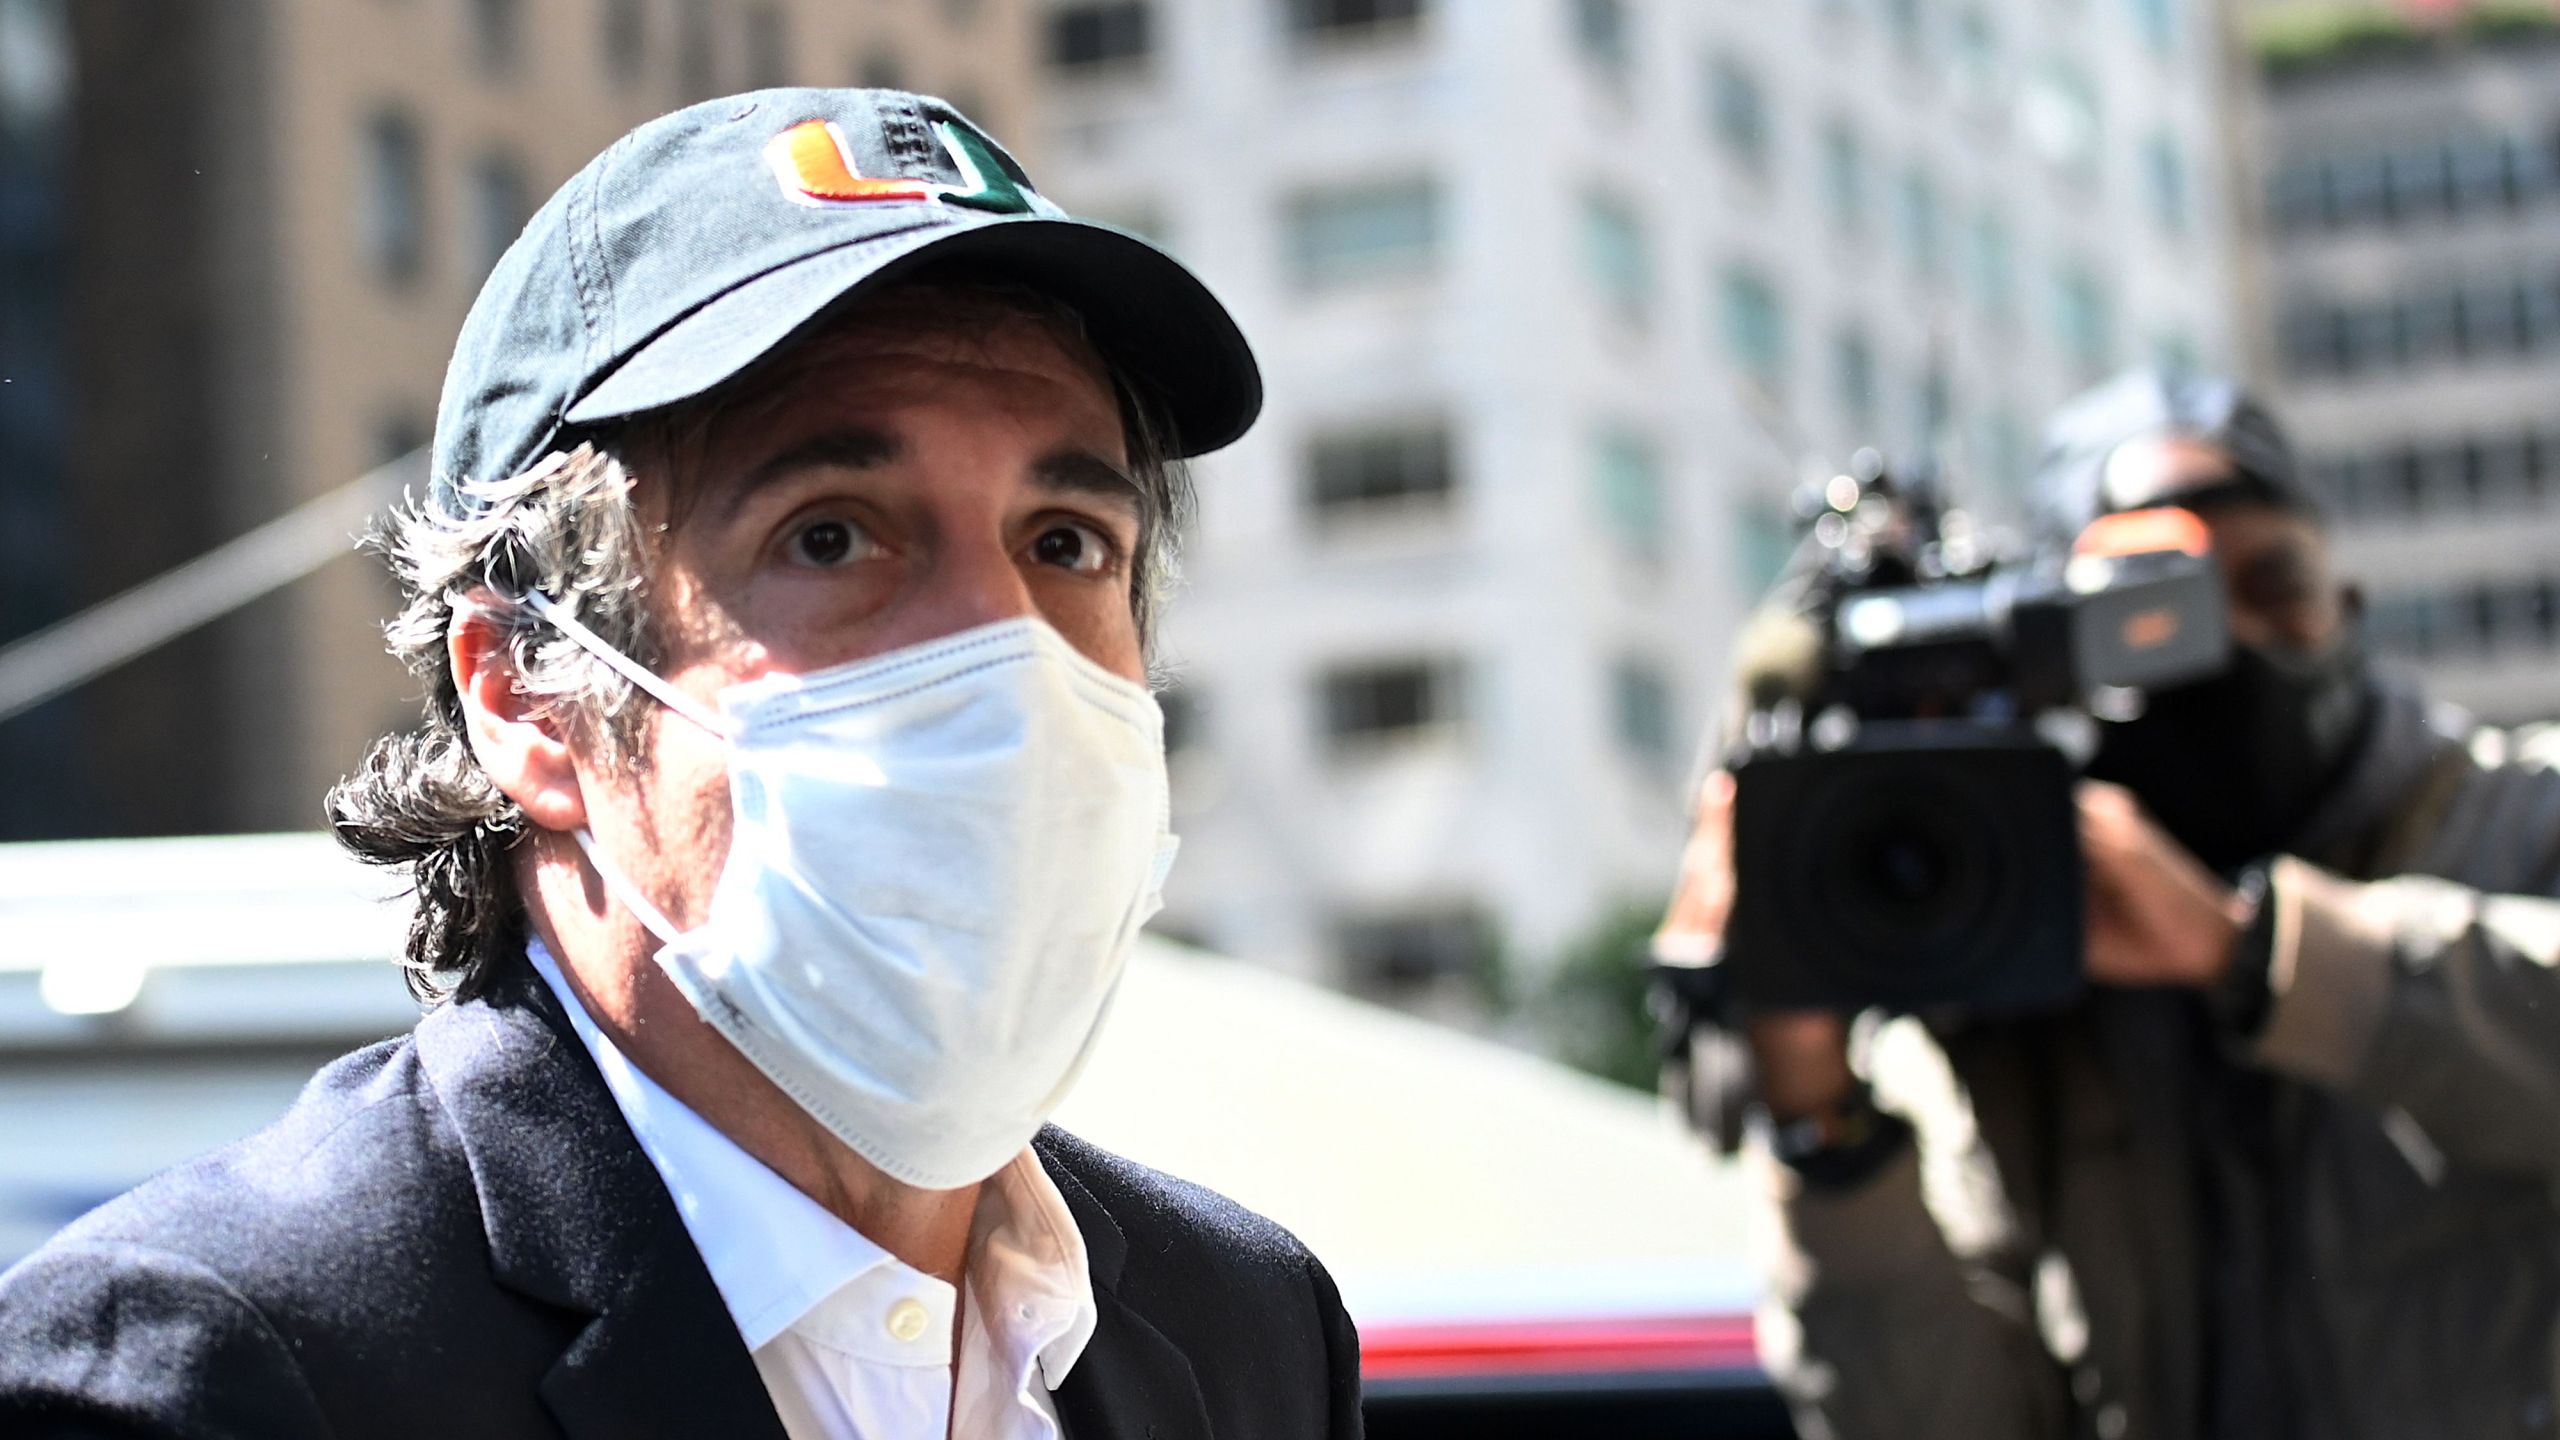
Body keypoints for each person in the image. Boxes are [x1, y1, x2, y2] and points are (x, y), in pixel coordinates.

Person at [0, 89, 1359, 1439]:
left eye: (1065, 542)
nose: (1002, 657)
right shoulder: (214, 1375)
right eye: (832, 535)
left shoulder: (1244, 1330)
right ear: (529, 697)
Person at [1658, 371, 2560, 1440]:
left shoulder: (2521, 818)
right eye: (2150, 611)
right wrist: (1820, 1123)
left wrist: (2250, 950)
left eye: (2270, 583)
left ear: (2347, 605)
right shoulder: (2000, 942)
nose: (2224, 640)